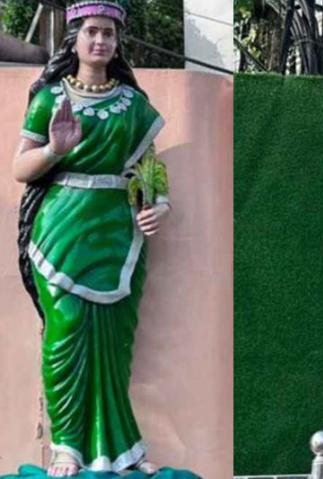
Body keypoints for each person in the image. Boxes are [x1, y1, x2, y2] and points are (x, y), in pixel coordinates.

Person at [12, 1, 169, 475]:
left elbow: (151, 168)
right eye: (92, 32)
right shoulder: (49, 99)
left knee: (115, 344)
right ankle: (67, 446)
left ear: (117, 43)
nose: (100, 41)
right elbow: (21, 167)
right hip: (61, 231)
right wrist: (55, 150)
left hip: (118, 235)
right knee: (65, 335)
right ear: (75, 38)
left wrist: (159, 204)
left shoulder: (133, 105)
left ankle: (119, 449)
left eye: (109, 34)